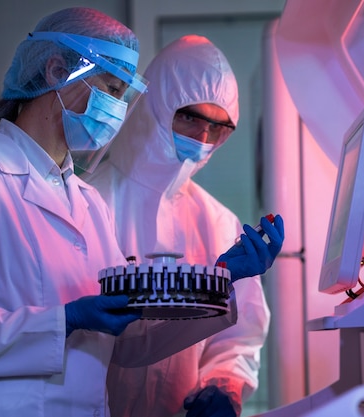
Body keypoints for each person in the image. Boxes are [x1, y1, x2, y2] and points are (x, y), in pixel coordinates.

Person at [0, 9, 283, 417]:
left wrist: (218, 282)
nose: (118, 110)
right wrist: (63, 321)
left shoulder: (86, 202)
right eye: (111, 89)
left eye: (123, 95)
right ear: (54, 71)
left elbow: (130, 342)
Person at [84, 35, 283, 417]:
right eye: (191, 118)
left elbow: (237, 342)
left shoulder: (219, 222)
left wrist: (222, 387)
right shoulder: (86, 202)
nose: (205, 140)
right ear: (156, 104)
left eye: (220, 128)